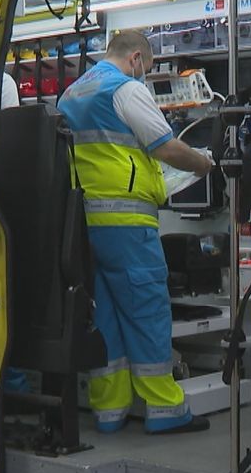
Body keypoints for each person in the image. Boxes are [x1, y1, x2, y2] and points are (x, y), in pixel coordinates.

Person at [57, 31, 213, 435]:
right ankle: (165, 409)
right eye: (148, 68)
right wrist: (202, 164)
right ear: (137, 58)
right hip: (127, 224)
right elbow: (165, 147)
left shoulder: (71, 94)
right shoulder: (125, 90)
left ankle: (109, 411)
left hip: (84, 224)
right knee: (146, 311)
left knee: (104, 316)